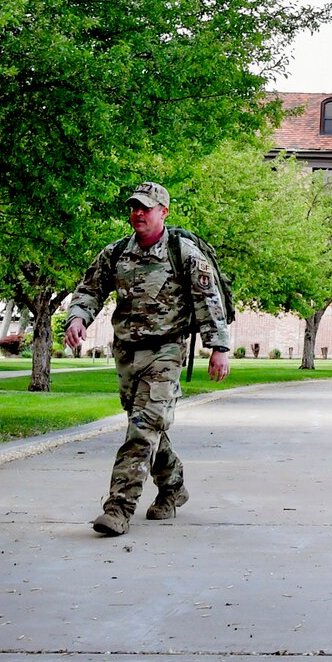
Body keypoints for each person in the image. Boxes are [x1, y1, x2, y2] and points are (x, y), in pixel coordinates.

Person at [64, 181, 231, 537]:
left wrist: (218, 348)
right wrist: (77, 317)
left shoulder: (182, 252)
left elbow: (209, 302)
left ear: (163, 212)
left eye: (146, 208)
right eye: (133, 207)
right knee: (149, 426)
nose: (137, 214)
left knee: (141, 429)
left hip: (166, 351)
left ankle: (118, 508)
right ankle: (173, 487)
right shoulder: (116, 253)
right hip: (126, 352)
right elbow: (89, 290)